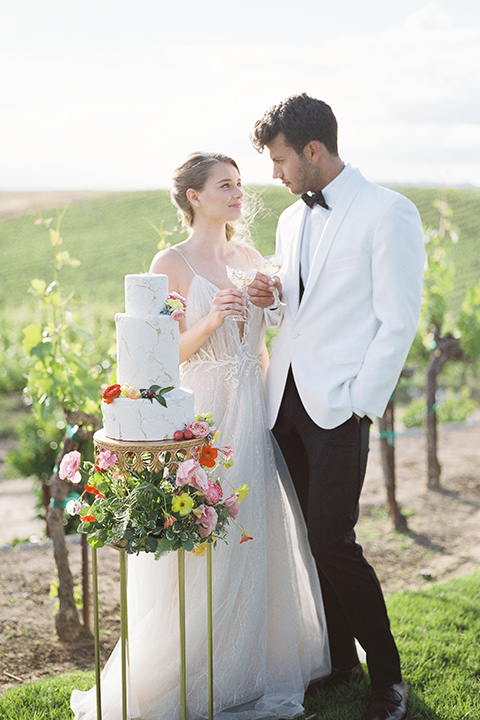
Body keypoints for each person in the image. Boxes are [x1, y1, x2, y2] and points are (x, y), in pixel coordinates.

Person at [71, 152, 330, 720]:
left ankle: (255, 663)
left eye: (239, 184)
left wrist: (270, 307)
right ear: (194, 197)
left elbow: (264, 343)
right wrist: (210, 322)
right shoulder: (171, 261)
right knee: (205, 539)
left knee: (255, 532)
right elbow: (158, 359)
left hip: (252, 410)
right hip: (203, 417)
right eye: (225, 185)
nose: (238, 193)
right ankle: (192, 667)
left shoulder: (246, 256)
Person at [248, 94, 425, 720]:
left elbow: (397, 321)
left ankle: (389, 680)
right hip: (286, 404)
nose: (275, 173)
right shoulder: (292, 220)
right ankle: (340, 661)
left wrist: (360, 405)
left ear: (314, 151)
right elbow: (294, 312)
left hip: (340, 407)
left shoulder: (388, 213)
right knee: (309, 539)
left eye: (280, 160)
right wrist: (270, 296)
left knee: (334, 540)